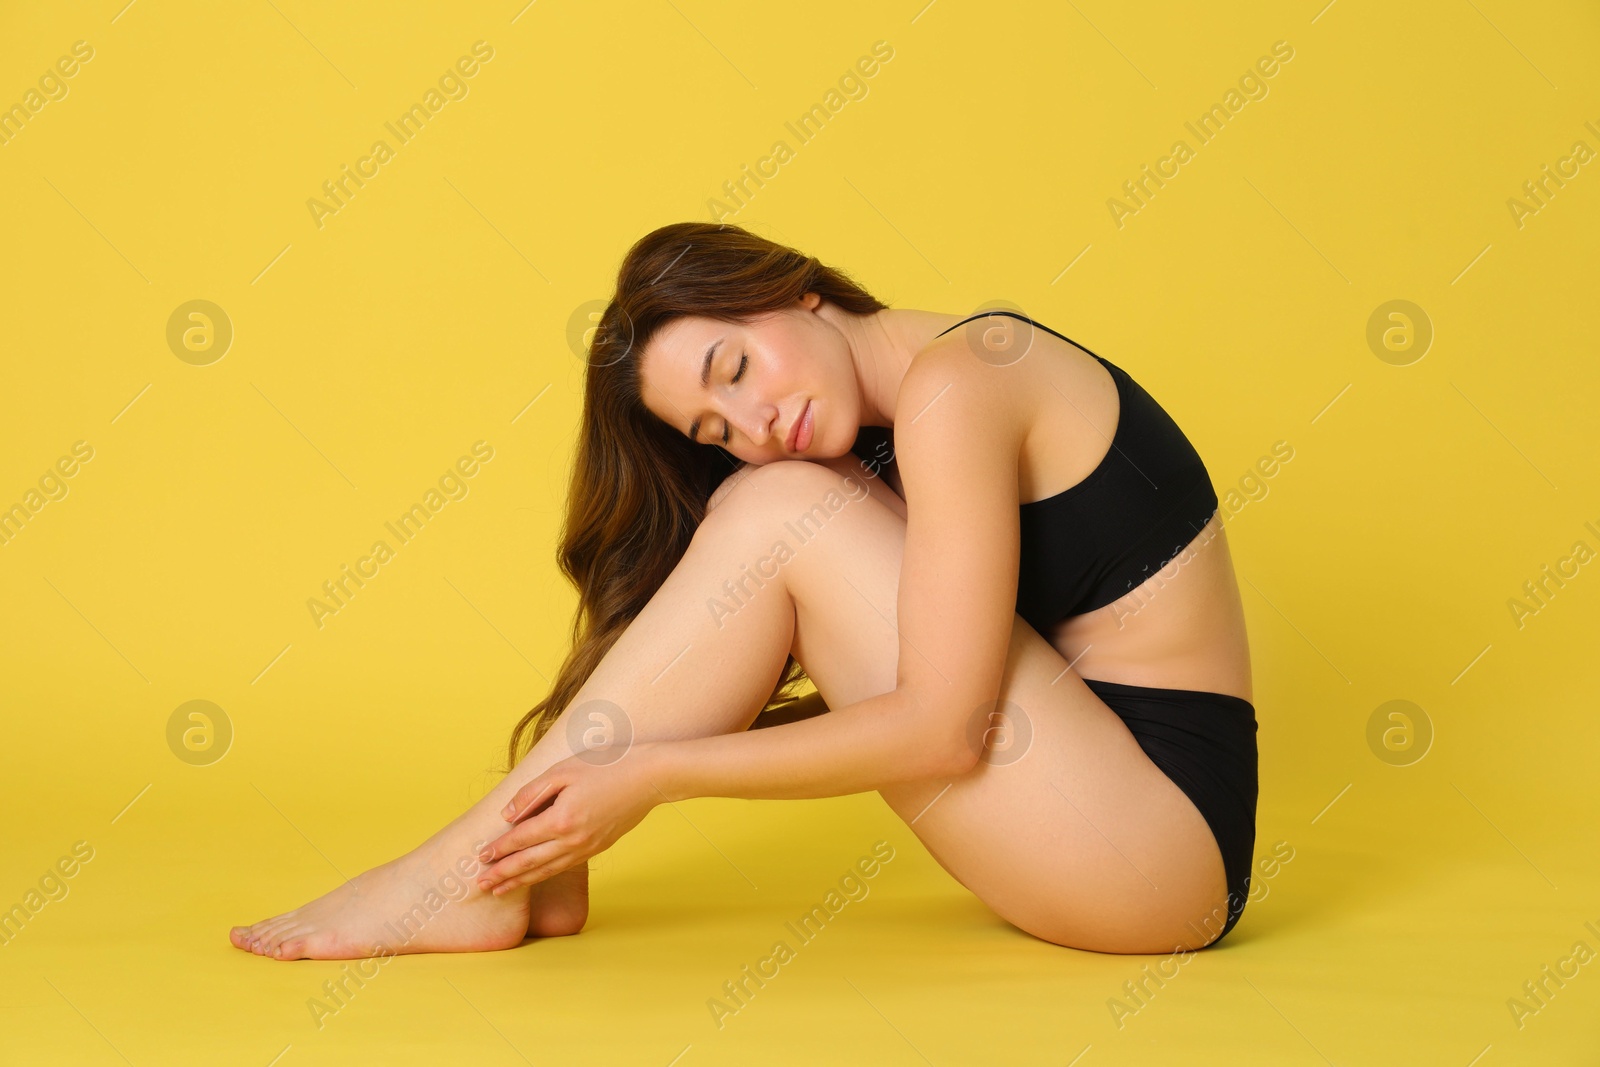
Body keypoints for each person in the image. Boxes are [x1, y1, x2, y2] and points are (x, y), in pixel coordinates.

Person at [229, 221, 1258, 960]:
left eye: (735, 365)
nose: (752, 421)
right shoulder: (896, 425)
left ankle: (464, 870)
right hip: (1104, 817)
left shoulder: (958, 382)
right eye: (712, 431)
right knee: (779, 501)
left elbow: (945, 728)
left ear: (799, 287)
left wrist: (651, 772)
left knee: (778, 511)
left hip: (1159, 855)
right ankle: (511, 862)